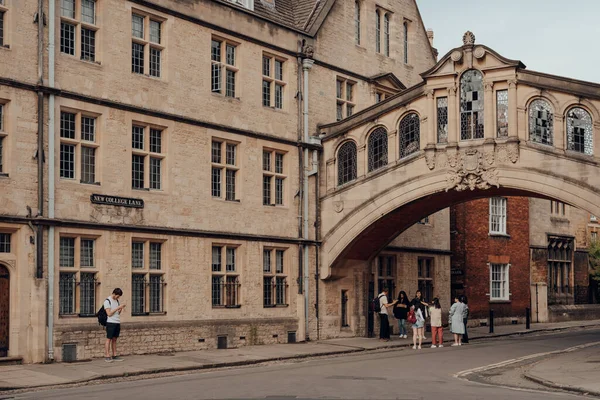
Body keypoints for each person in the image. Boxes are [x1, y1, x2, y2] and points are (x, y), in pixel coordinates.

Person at [104, 288, 126, 362]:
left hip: (117, 322)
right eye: (117, 296)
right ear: (114, 294)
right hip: (110, 322)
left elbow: (117, 313)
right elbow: (109, 314)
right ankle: (107, 355)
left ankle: (114, 355)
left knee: (114, 339)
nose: (118, 298)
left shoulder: (117, 301)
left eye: (119, 297)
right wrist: (117, 308)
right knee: (108, 339)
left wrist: (120, 309)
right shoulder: (107, 301)